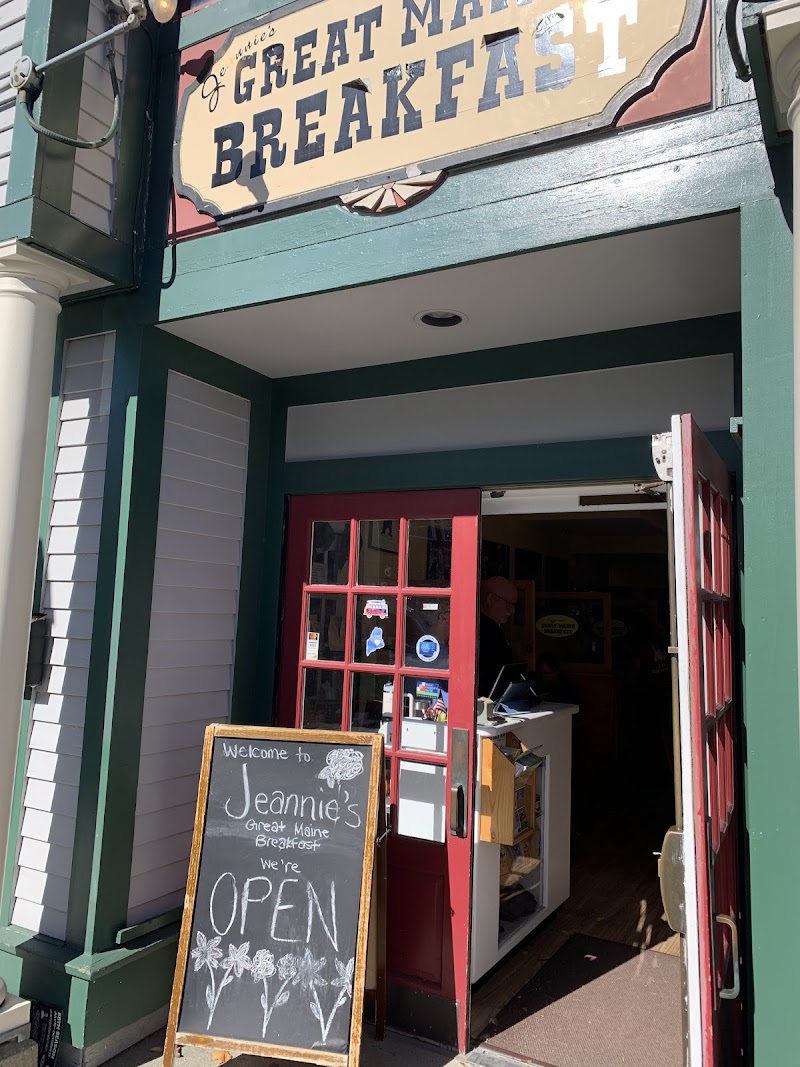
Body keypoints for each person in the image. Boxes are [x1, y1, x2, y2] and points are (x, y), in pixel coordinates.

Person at [478, 576, 518, 697]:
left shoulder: (493, 628)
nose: (511, 611)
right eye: (508, 604)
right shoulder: (488, 630)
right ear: (491, 599)